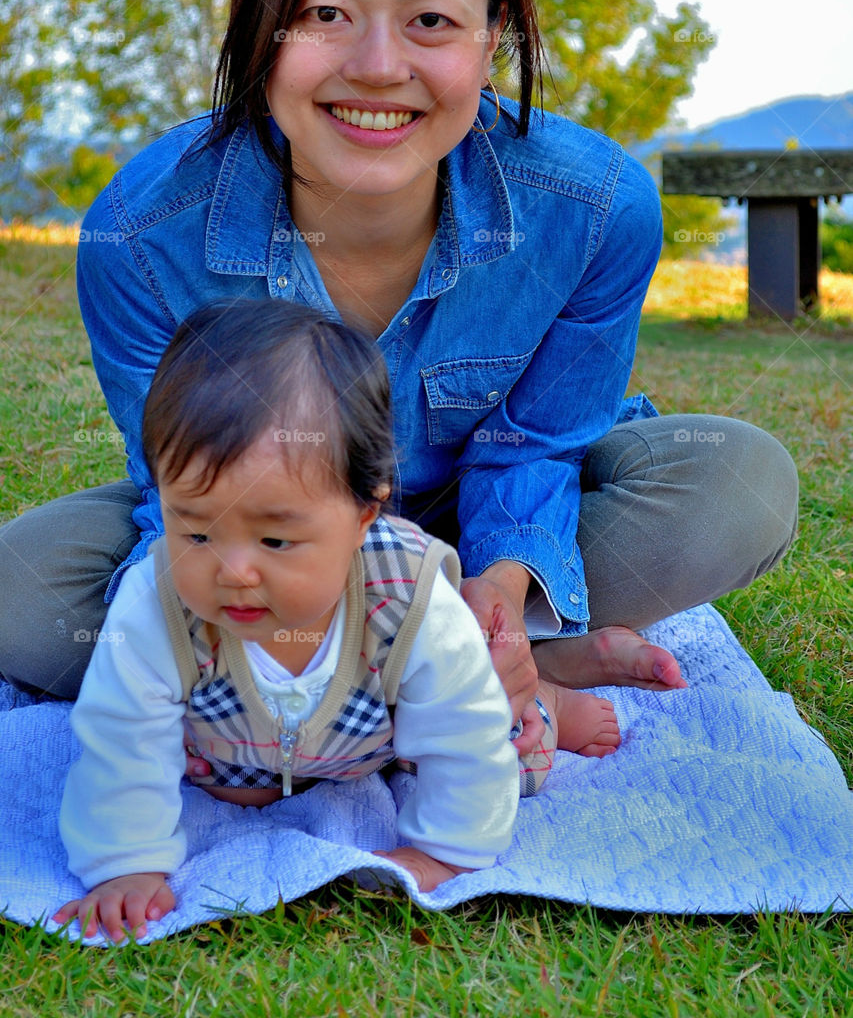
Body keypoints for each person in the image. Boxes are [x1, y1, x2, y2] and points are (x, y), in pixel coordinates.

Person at [0, 0, 796, 759]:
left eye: (429, 20)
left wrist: (497, 595)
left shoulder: (593, 210)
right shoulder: (138, 236)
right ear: (264, 25)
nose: (377, 69)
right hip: (268, 539)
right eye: (325, 14)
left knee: (740, 481)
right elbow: (180, 490)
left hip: (490, 516)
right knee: (18, 601)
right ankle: (506, 680)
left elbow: (535, 444)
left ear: (492, 31)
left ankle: (408, 675)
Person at [54, 298, 615, 941]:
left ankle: (548, 700)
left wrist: (444, 852)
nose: (233, 571)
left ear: (362, 517)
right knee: (223, 782)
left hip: (385, 732)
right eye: (198, 532)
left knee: (507, 746)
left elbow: (464, 732)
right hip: (238, 741)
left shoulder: (407, 597)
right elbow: (119, 733)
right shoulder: (156, 601)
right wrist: (125, 863)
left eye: (274, 541)